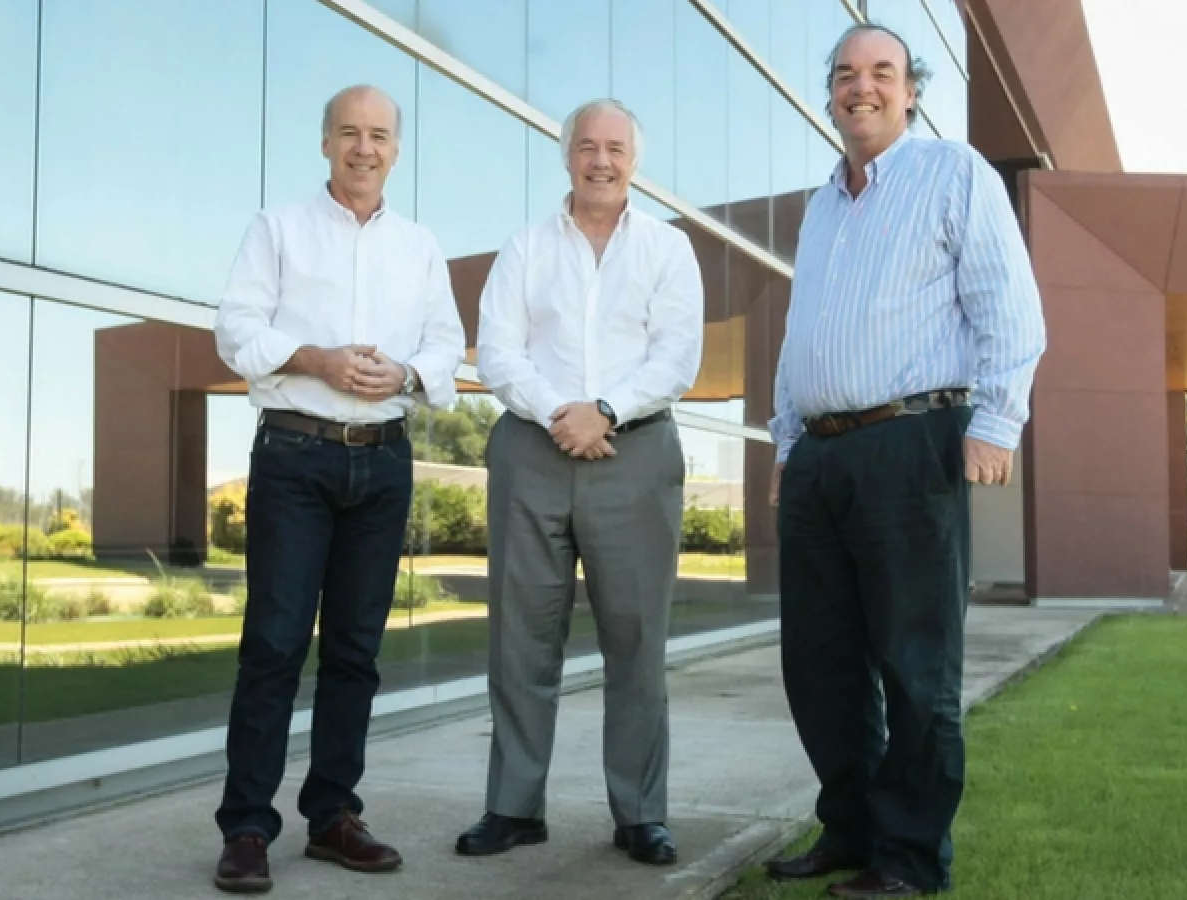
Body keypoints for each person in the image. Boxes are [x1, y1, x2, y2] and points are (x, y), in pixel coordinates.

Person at [762, 25, 1046, 899]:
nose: (863, 87)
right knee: (821, 664)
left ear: (911, 91)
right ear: (829, 95)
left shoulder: (953, 172)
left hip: (911, 443)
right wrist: (785, 441)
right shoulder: (821, 206)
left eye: (882, 72)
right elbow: (803, 333)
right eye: (846, 74)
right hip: (819, 456)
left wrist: (997, 421)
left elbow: (1008, 302)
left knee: (916, 665)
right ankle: (850, 829)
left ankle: (911, 857)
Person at [208, 85, 465, 893]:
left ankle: (332, 817)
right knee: (275, 645)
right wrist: (313, 359)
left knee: (355, 653)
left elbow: (448, 346)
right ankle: (247, 827)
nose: (364, 147)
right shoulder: (277, 229)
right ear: (325, 143)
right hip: (295, 455)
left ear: (396, 149)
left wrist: (408, 373)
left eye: (379, 135)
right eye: (349, 133)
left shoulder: (420, 246)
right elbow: (235, 330)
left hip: (383, 464)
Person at [454, 98, 703, 867]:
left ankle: (640, 815)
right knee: (521, 639)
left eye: (615, 148)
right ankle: (513, 807)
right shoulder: (525, 247)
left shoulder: (668, 249)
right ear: (567, 156)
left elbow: (676, 357)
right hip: (532, 452)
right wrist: (562, 415)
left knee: (637, 642)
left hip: (636, 453)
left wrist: (606, 411)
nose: (601, 160)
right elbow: (498, 351)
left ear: (635, 160)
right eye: (587, 146)